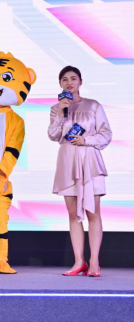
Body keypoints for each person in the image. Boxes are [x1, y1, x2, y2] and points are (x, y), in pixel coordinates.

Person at [49, 66, 112, 277]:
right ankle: (78, 262)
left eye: (73, 78)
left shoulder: (93, 105)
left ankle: (94, 262)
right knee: (73, 214)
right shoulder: (56, 108)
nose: (69, 83)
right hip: (67, 161)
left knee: (93, 212)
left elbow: (106, 134)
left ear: (80, 82)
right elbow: (53, 135)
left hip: (90, 161)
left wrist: (86, 140)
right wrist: (60, 113)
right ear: (60, 84)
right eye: (65, 80)